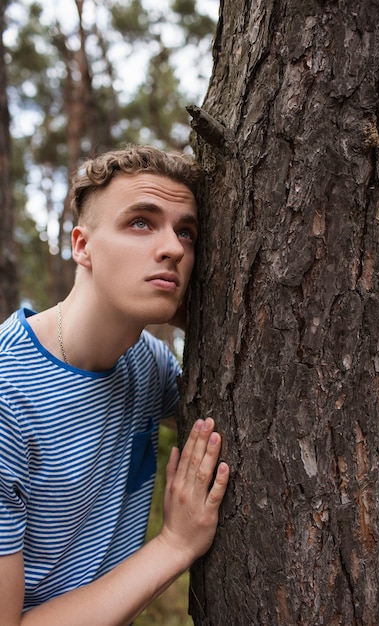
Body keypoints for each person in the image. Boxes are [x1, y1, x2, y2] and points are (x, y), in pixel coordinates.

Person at [0, 145, 229, 625]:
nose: (173, 248)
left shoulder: (149, 363)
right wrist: (173, 545)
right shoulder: (8, 395)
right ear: (82, 246)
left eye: (185, 231)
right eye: (141, 222)